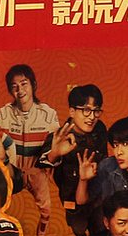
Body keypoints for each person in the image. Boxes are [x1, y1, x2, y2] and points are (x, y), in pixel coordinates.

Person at [0, 63, 61, 233]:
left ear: (33, 85)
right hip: (13, 170)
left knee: (45, 206)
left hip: (36, 170)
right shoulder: (5, 113)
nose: (20, 90)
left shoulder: (48, 114)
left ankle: (44, 223)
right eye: (14, 86)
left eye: (24, 84)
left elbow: (55, 145)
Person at [43, 83, 108, 211]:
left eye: (96, 111)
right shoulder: (59, 137)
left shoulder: (100, 128)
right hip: (72, 202)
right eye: (86, 110)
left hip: (99, 198)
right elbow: (42, 164)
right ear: (72, 111)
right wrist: (54, 154)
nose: (92, 117)